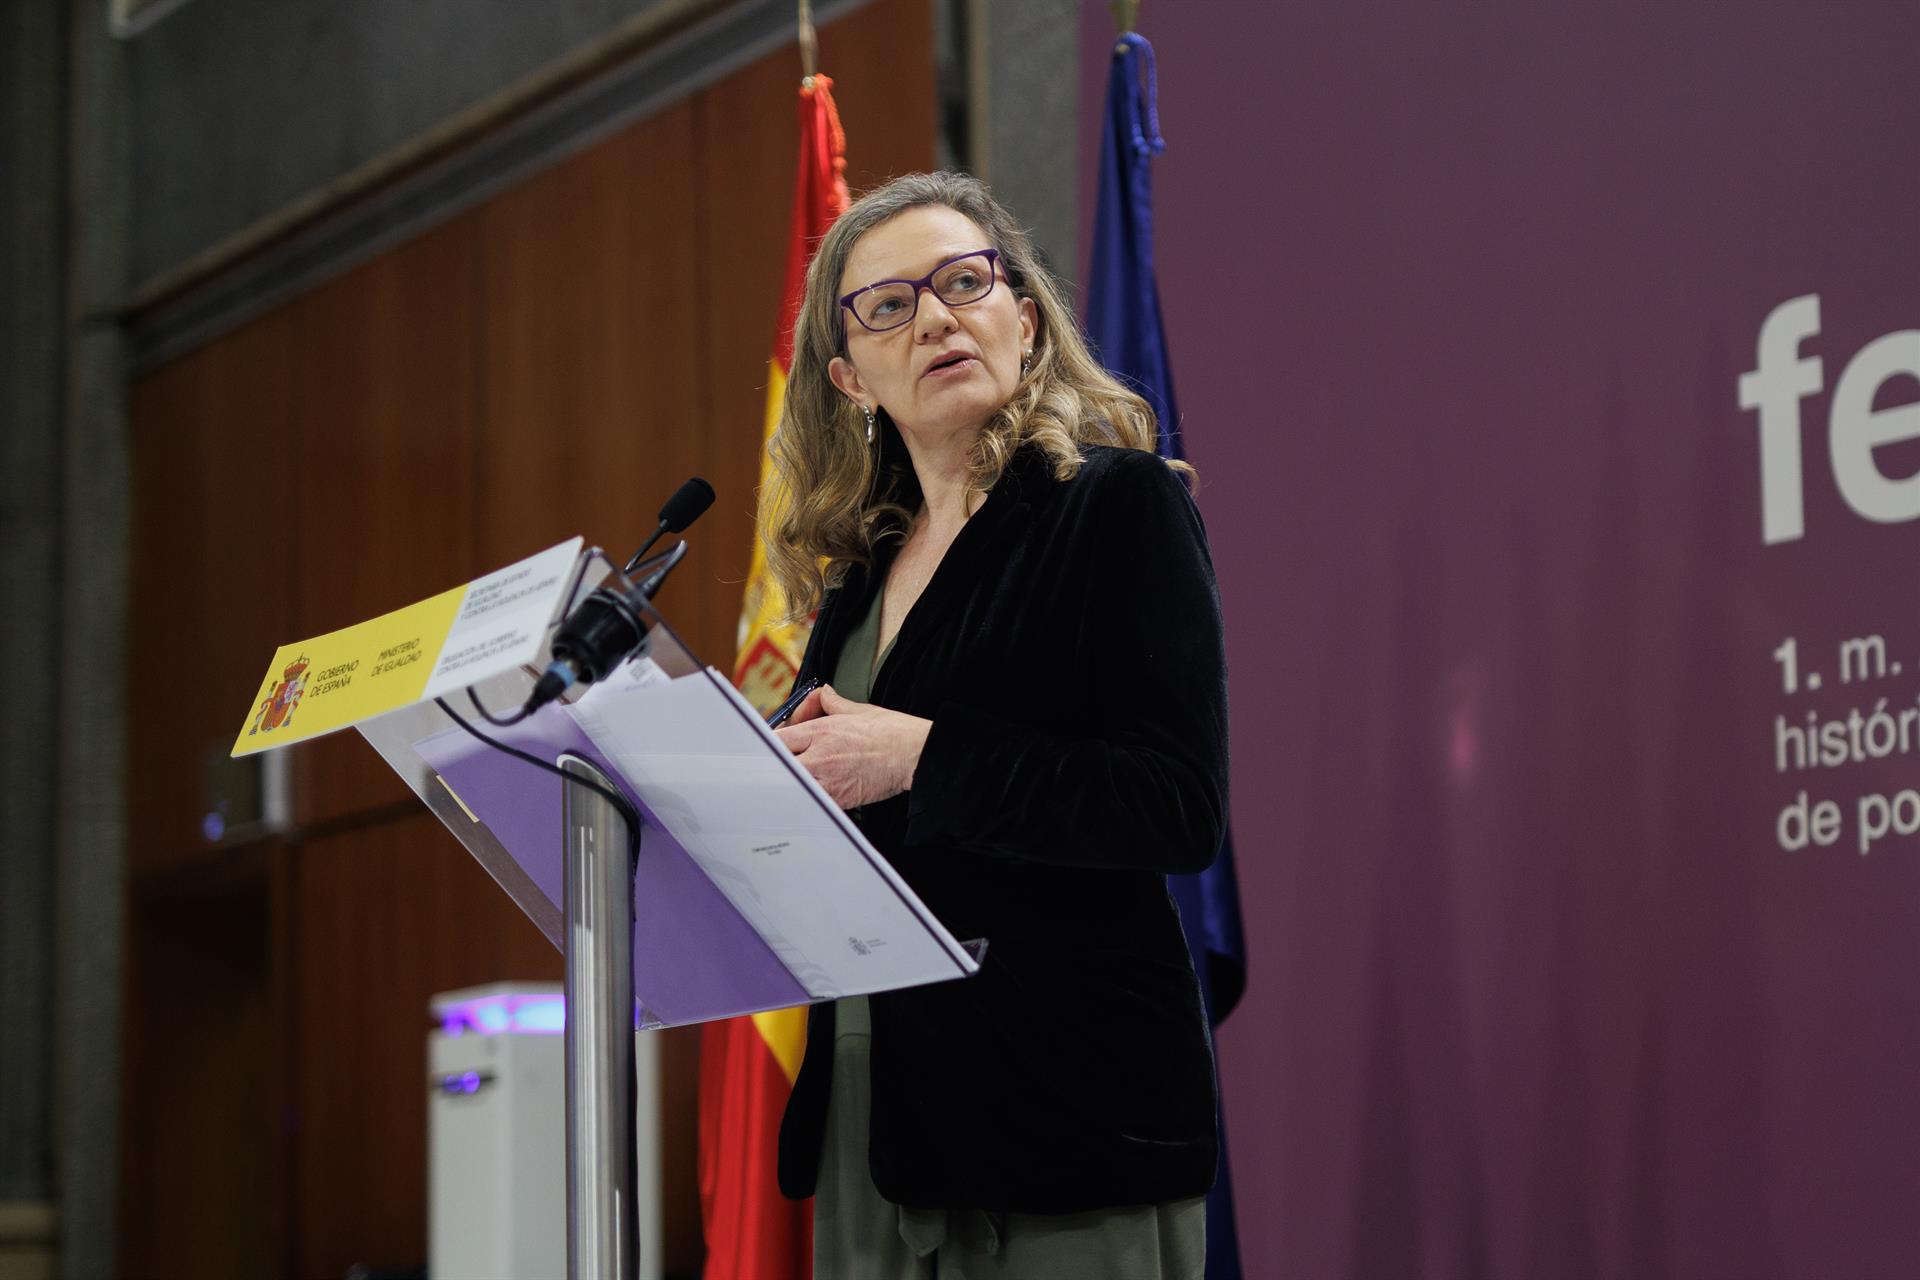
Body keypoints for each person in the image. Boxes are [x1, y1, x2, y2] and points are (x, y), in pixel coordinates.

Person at [762, 170, 1229, 1279]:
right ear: (850, 377)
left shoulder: (1114, 507)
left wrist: (922, 756)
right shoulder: (856, 578)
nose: (935, 316)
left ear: (1024, 319)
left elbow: (1175, 806)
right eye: (889, 304)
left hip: (1059, 1115)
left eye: (964, 283)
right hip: (876, 1114)